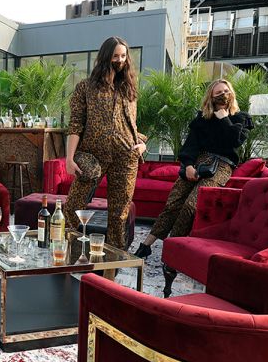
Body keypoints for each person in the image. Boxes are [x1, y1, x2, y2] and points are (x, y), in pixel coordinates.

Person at [133, 79, 253, 259]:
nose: (223, 95)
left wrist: (224, 118)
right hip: (197, 161)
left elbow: (235, 140)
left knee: (190, 206)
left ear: (232, 93)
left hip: (221, 165)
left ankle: (174, 248)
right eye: (218, 92)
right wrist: (188, 165)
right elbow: (191, 144)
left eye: (226, 91)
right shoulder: (202, 119)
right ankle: (146, 244)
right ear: (211, 97)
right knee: (172, 204)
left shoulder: (240, 118)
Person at [63, 36, 146, 253]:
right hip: (92, 155)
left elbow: (131, 124)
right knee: (73, 206)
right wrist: (69, 158)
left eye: (123, 56)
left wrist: (142, 144)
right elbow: (75, 124)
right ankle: (65, 252)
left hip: (126, 157)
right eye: (115, 56)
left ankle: (113, 262)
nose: (119, 60)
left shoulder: (129, 88)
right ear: (105, 57)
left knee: (119, 213)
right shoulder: (85, 88)